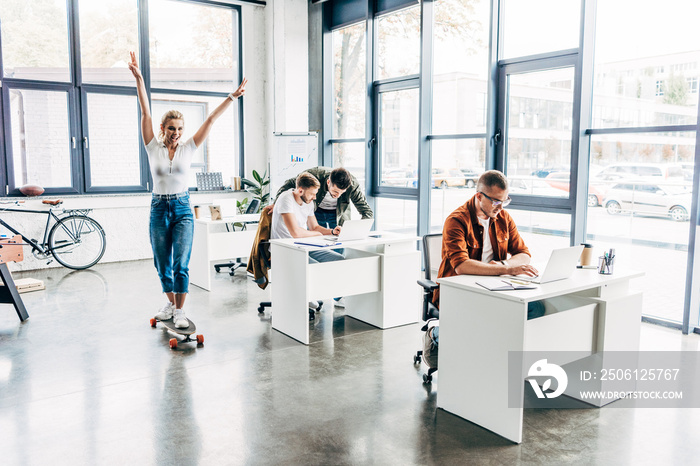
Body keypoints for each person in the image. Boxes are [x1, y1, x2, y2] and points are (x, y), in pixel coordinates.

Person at [128, 51, 247, 328]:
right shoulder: (152, 147)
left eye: (180, 128)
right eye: (171, 128)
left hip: (182, 208)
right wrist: (139, 79)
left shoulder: (189, 147)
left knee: (181, 263)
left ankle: (180, 310)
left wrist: (231, 97)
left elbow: (211, 120)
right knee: (162, 264)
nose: (176, 133)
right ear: (163, 128)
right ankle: (170, 304)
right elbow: (145, 110)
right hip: (158, 208)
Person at [433, 169, 544, 326]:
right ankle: (435, 332)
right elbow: (461, 266)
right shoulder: (456, 221)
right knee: (485, 317)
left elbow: (523, 254)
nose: (500, 207)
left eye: (505, 201)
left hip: (493, 286)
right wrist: (507, 270)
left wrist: (503, 264)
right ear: (479, 196)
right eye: (496, 201)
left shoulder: (503, 218)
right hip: (458, 290)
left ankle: (499, 346)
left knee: (535, 308)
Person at [271, 172, 345, 309]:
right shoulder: (286, 199)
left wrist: (332, 231)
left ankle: (334, 295)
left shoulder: (308, 202)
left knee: (339, 260)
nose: (315, 197)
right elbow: (295, 233)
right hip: (285, 249)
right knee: (314, 267)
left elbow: (315, 227)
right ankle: (307, 296)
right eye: (312, 194)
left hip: (304, 246)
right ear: (300, 191)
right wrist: (316, 233)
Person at [268, 167, 372, 230]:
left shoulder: (352, 185)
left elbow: (367, 212)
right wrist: (276, 203)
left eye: (342, 192)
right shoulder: (314, 175)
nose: (338, 195)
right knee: (316, 241)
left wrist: (359, 230)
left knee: (339, 242)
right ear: (328, 182)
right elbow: (289, 183)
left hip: (337, 214)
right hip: (317, 210)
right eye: (335, 191)